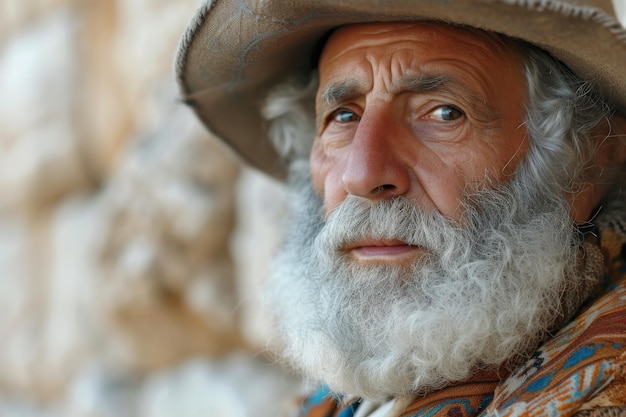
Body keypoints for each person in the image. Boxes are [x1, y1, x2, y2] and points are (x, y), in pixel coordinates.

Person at [176, 1, 626, 416]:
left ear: (583, 162)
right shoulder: (334, 404)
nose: (364, 174)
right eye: (344, 117)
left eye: (444, 113)